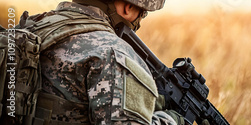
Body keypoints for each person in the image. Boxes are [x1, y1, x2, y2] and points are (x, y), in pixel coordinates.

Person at [27, 0, 183, 124]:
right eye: (142, 13)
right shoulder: (116, 54)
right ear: (128, 8)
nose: (140, 21)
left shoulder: (32, 27)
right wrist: (170, 120)